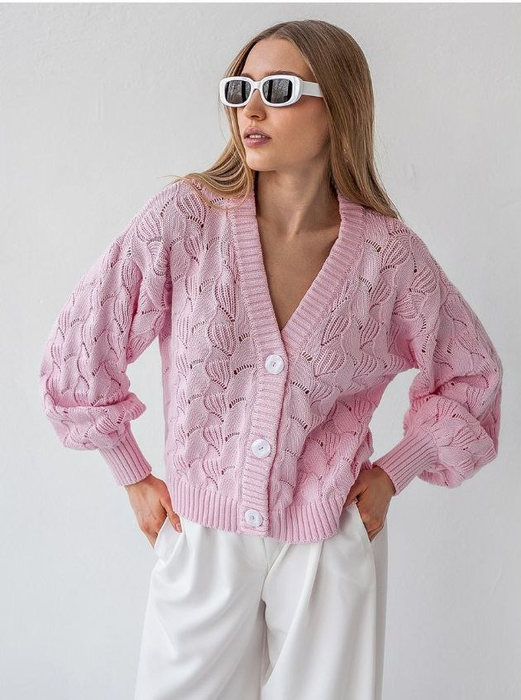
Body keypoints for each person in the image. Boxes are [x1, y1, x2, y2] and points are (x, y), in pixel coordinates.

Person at [38, 19, 503, 700]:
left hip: (328, 539)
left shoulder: (388, 259)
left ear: (337, 105)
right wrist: (130, 472)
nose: (250, 110)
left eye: (278, 90)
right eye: (240, 89)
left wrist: (393, 473)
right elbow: (83, 342)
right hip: (201, 535)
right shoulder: (185, 221)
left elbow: (472, 376)